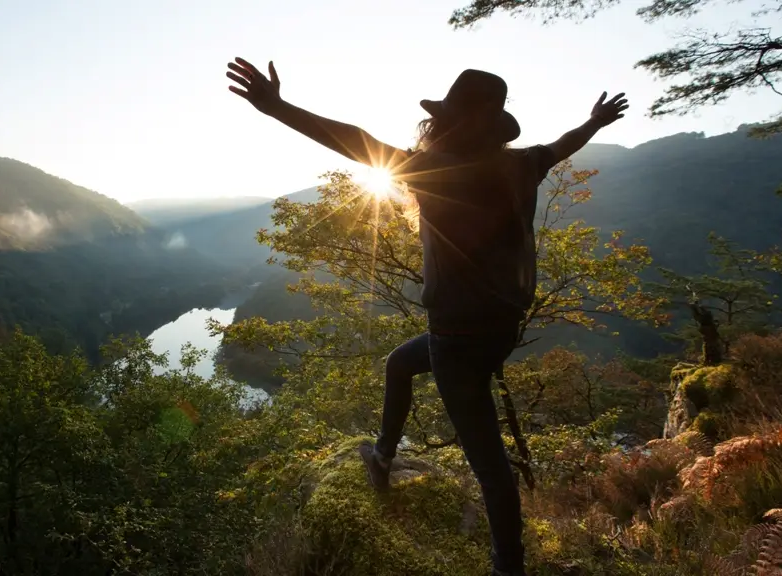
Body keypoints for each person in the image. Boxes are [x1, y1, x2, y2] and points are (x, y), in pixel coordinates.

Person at [226, 56, 628, 576]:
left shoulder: (435, 168)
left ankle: (509, 565)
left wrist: (277, 107)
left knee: (489, 463)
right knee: (400, 363)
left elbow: (353, 139)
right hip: (499, 328)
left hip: (457, 337)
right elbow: (563, 144)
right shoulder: (520, 165)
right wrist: (594, 122)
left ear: (446, 122)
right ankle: (384, 456)